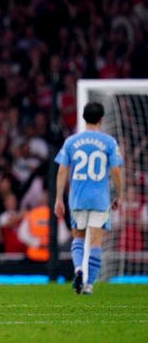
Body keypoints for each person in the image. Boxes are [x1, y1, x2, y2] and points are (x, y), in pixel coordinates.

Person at [54, 101, 124, 295]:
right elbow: (116, 171)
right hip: (100, 198)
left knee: (78, 236)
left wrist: (59, 198)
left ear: (83, 118)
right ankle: (89, 284)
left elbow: (62, 171)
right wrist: (119, 195)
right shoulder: (109, 142)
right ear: (102, 119)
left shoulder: (71, 142)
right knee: (95, 241)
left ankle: (78, 269)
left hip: (77, 197)